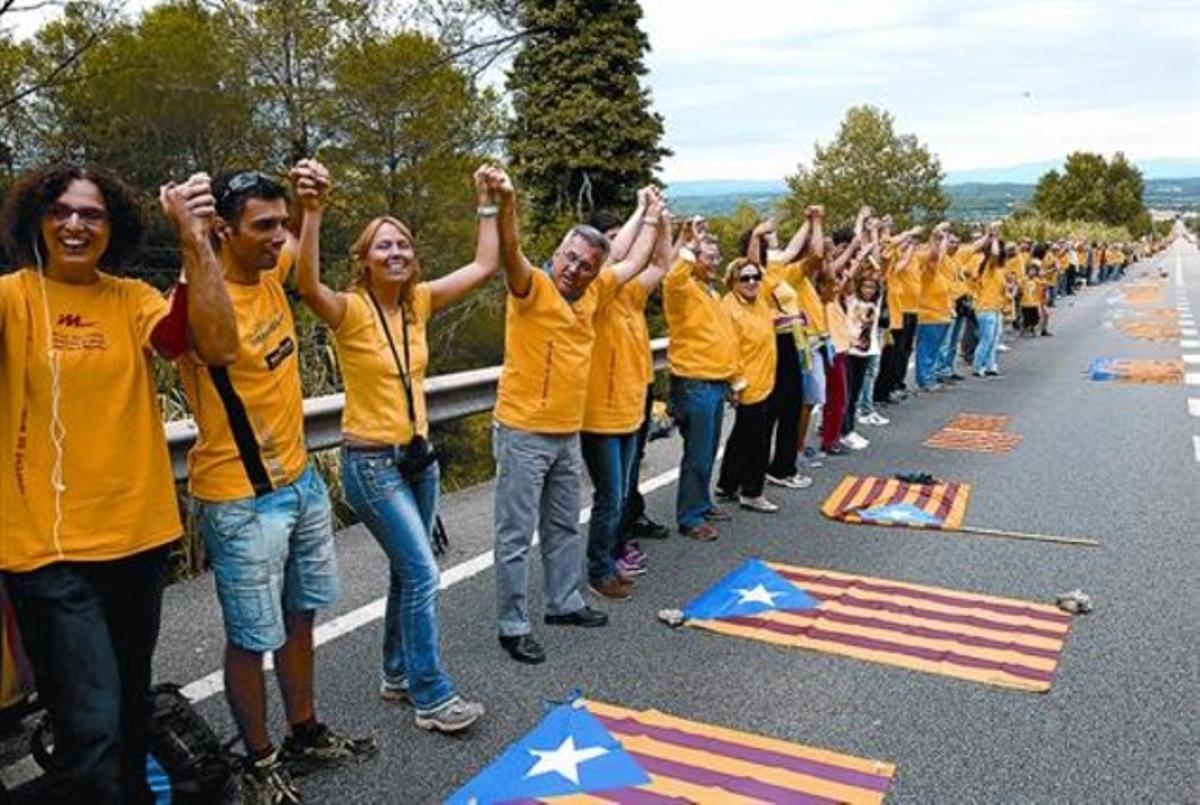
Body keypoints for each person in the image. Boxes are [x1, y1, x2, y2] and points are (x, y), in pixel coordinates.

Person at [0, 164, 236, 803]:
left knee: (129, 712)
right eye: (61, 211)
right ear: (37, 221)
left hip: (137, 537)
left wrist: (194, 238)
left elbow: (210, 344)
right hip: (46, 553)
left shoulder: (131, 298)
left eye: (92, 214)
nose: (75, 225)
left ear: (115, 227)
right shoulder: (11, 298)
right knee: (93, 729)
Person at [179, 165, 375, 803]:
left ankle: (304, 731)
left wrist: (311, 209)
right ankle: (260, 764)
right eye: (263, 227)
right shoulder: (201, 298)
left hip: (299, 482)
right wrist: (193, 240)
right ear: (223, 231)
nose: (278, 238)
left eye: (280, 226)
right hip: (240, 498)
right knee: (250, 637)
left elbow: (300, 257)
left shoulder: (268, 269)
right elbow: (206, 344)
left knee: (300, 618)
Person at [294, 162, 499, 732]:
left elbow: (485, 264)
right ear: (364, 259)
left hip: (418, 460)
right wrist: (310, 212)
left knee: (407, 574)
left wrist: (487, 202)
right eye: (383, 246)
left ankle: (396, 674)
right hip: (372, 464)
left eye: (403, 244)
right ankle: (432, 697)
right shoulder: (350, 310)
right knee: (422, 574)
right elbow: (306, 284)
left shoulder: (419, 304)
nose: (396, 253)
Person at [489, 167, 651, 664]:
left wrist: (651, 217)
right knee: (515, 535)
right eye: (569, 258)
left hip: (566, 435)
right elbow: (510, 251)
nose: (574, 270)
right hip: (522, 431)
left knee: (563, 526)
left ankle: (563, 601)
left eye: (585, 265)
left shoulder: (597, 291)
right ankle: (512, 624)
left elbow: (635, 260)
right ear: (557, 253)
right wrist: (506, 202)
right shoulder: (531, 288)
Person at [580, 190, 669, 600]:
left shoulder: (629, 292)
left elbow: (660, 264)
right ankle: (599, 569)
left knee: (621, 495)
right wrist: (642, 214)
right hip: (599, 414)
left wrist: (661, 221)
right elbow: (617, 258)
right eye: (613, 238)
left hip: (632, 409)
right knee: (610, 497)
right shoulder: (593, 290)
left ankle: (612, 557)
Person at [664, 218, 744, 541]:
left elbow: (725, 337)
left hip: (715, 381)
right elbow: (671, 277)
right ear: (693, 260)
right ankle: (690, 517)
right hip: (694, 382)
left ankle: (701, 502)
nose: (715, 262)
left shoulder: (709, 293)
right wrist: (689, 243)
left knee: (709, 450)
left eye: (716, 257)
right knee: (697, 453)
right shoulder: (682, 289)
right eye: (708, 257)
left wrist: (734, 380)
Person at [744, 218, 812, 489]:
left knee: (790, 408)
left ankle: (781, 466)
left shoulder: (777, 270)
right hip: (777, 344)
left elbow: (791, 249)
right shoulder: (755, 276)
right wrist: (757, 234)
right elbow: (752, 259)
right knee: (780, 409)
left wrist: (808, 222)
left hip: (793, 341)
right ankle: (774, 470)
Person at [715, 257, 779, 512]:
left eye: (755, 277)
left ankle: (727, 482)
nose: (752, 282)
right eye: (745, 278)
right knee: (757, 439)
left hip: (766, 377)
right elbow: (727, 349)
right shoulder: (728, 308)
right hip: (747, 382)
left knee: (742, 434)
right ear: (732, 281)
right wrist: (735, 383)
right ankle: (752, 492)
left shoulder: (759, 300)